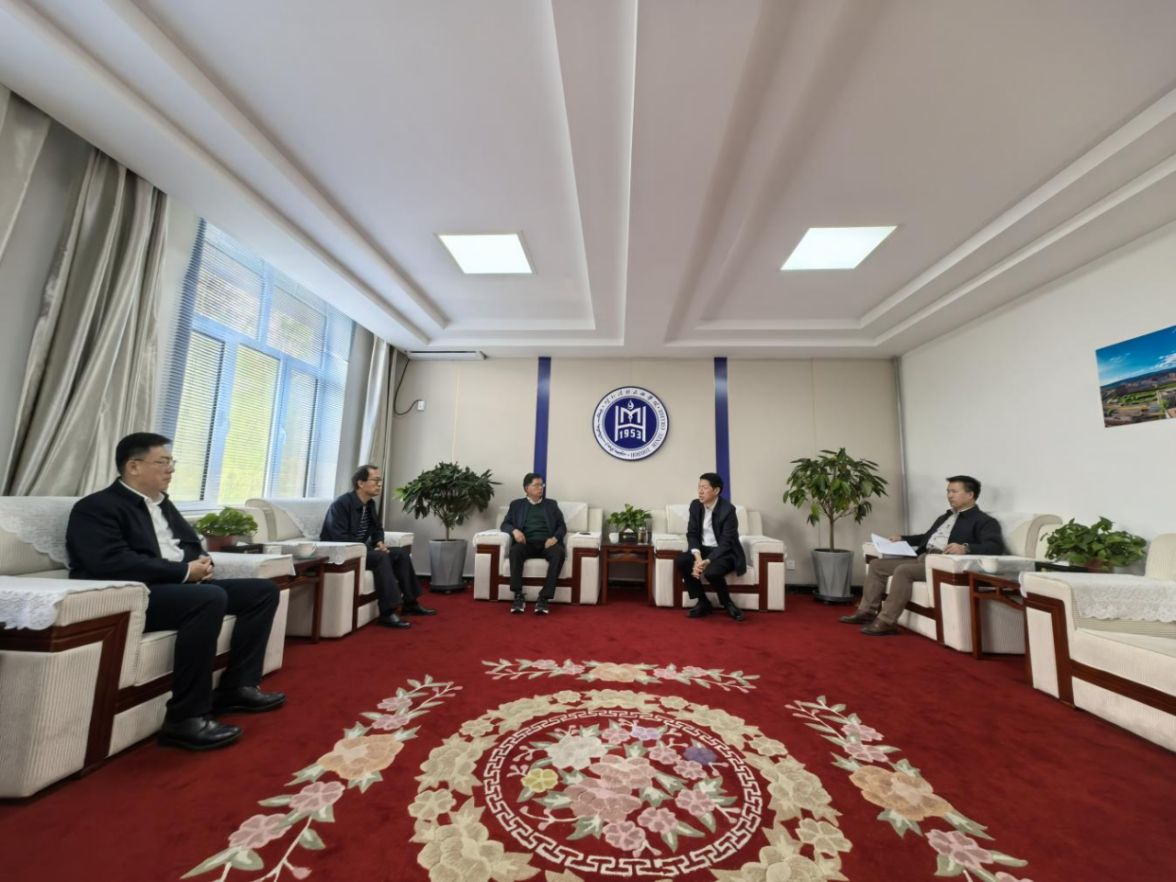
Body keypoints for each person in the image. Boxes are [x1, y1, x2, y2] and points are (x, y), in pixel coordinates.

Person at [66, 433, 285, 752]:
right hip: (137, 595)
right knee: (209, 598)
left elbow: (190, 544)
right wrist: (183, 571)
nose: (171, 469)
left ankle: (237, 687)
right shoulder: (96, 507)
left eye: (172, 462)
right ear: (134, 466)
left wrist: (202, 562)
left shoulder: (163, 504)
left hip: (179, 587)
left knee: (262, 592)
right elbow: (109, 562)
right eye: (163, 462)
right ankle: (185, 718)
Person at [841, 474, 1004, 636]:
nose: (949, 495)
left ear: (970, 495)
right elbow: (926, 537)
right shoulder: (946, 516)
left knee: (904, 570)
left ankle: (887, 621)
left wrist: (965, 548)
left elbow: (995, 546)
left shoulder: (984, 521)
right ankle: (866, 612)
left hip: (941, 564)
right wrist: (903, 538)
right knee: (877, 565)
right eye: (948, 491)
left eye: (954, 491)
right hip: (922, 557)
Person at [320, 464, 436, 628]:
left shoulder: (370, 504)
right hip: (342, 554)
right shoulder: (342, 504)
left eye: (380, 481)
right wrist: (368, 549)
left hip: (361, 550)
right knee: (381, 557)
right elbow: (338, 538)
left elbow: (377, 528)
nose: (379, 484)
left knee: (400, 554)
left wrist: (379, 542)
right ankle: (387, 612)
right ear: (361, 483)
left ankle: (410, 603)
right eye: (375, 480)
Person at [675, 472, 747, 621]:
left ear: (716, 490)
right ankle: (703, 602)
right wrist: (697, 557)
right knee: (682, 560)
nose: (700, 491)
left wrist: (706, 561)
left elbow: (727, 542)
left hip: (724, 552)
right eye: (699, 487)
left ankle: (727, 603)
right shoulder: (695, 505)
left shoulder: (728, 510)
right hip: (703, 549)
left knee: (712, 573)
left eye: (704, 487)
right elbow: (692, 533)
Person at [501, 472, 567, 615]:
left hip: (547, 543)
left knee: (559, 553)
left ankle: (544, 597)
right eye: (536, 485)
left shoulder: (551, 505)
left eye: (542, 485)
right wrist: (514, 531)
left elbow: (562, 526)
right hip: (526, 543)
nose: (540, 488)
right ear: (527, 488)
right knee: (515, 551)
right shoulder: (516, 505)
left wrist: (554, 538)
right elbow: (505, 524)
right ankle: (518, 595)